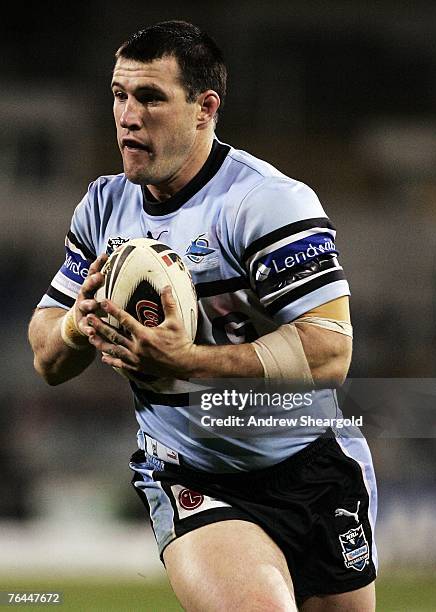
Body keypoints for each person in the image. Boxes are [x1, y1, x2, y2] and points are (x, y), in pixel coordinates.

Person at [28, 21, 377, 611]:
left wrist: (188, 361)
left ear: (204, 108)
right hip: (194, 474)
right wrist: (76, 324)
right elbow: (45, 356)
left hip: (312, 462)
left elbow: (331, 351)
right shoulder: (103, 209)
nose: (127, 116)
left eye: (150, 97)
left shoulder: (265, 203)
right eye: (119, 95)